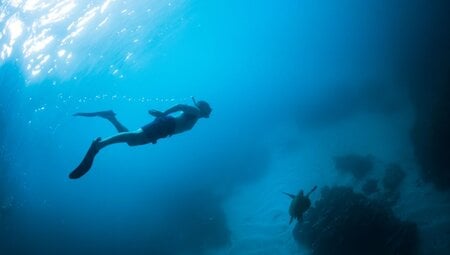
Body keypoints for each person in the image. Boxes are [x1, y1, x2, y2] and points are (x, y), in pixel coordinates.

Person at [69, 97, 212, 179]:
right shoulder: (196, 111)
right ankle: (99, 145)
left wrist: (160, 132)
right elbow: (181, 106)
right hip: (166, 125)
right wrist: (163, 113)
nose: (207, 115)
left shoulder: (196, 116)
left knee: (132, 140)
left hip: (165, 129)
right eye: (207, 112)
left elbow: (180, 116)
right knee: (135, 137)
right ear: (203, 109)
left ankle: (111, 117)